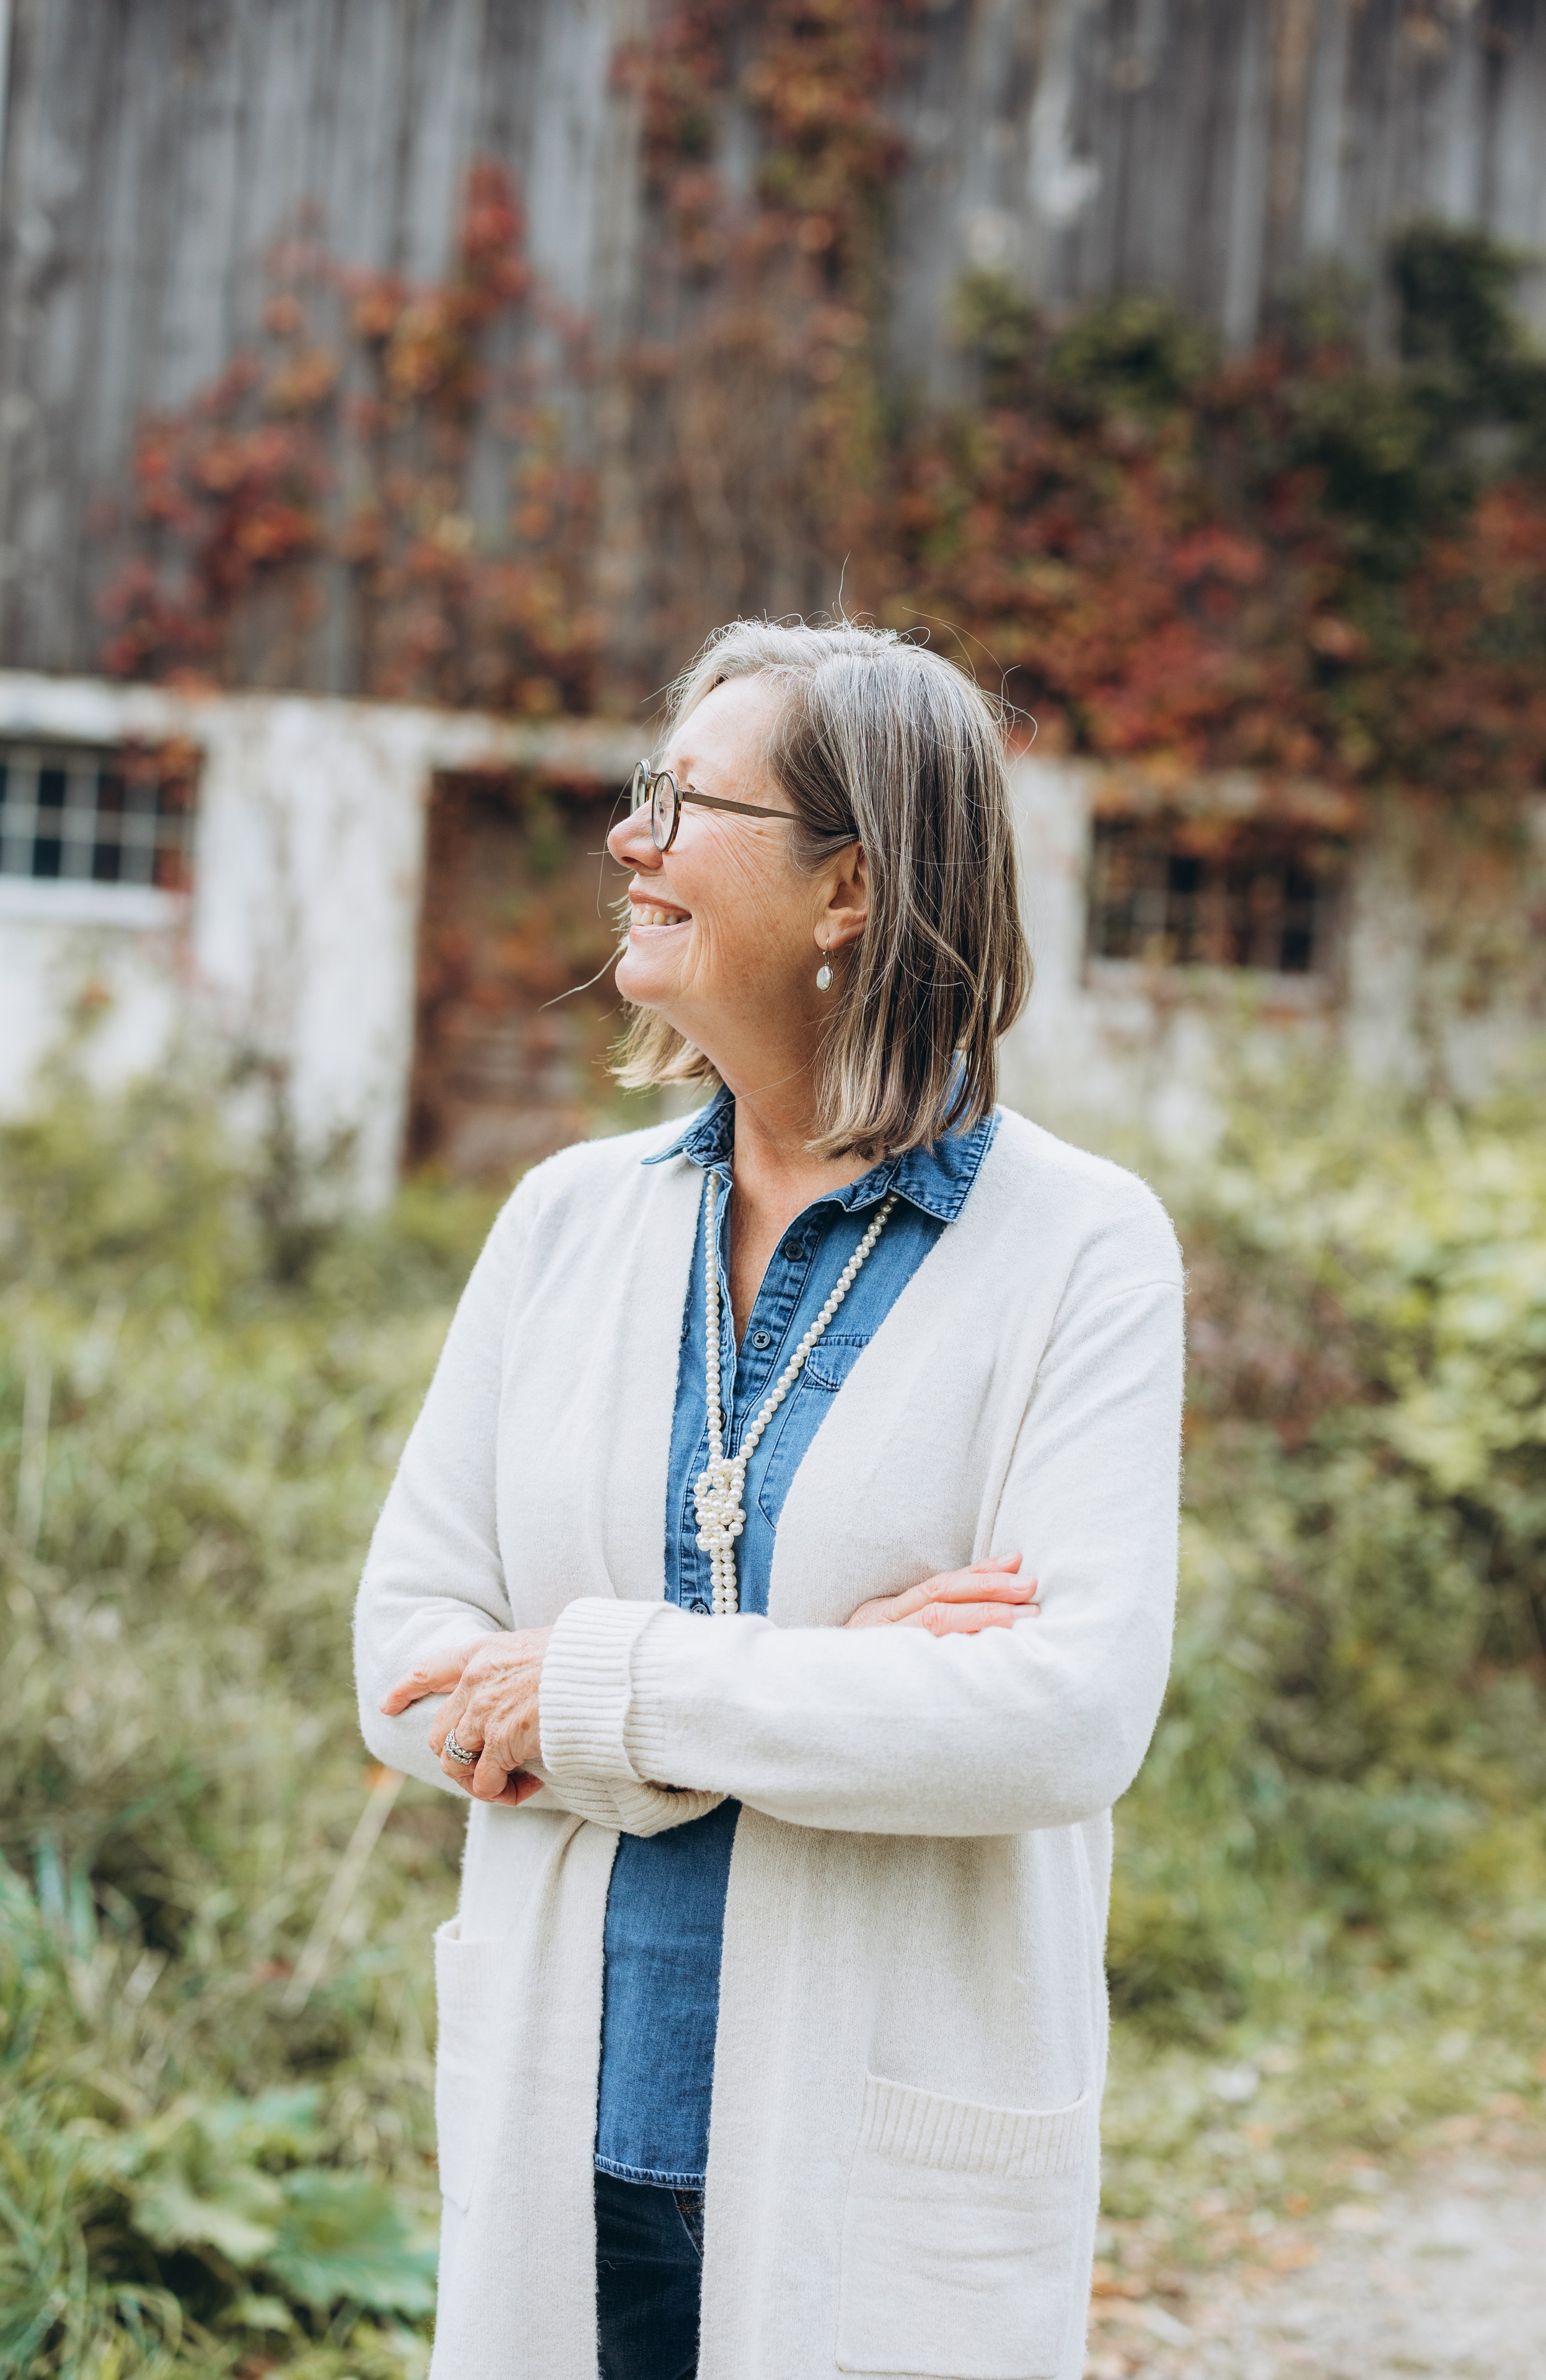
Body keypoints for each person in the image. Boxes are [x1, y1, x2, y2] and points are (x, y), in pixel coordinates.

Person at [355, 619, 1184, 2380]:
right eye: (642, 794)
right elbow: (407, 1665)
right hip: (566, 2146)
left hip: (872, 2183)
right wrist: (848, 1677)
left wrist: (599, 1690)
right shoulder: (564, 1224)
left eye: (685, 804)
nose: (627, 838)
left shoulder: (1082, 1250)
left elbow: (1059, 1718)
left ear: (849, 889)